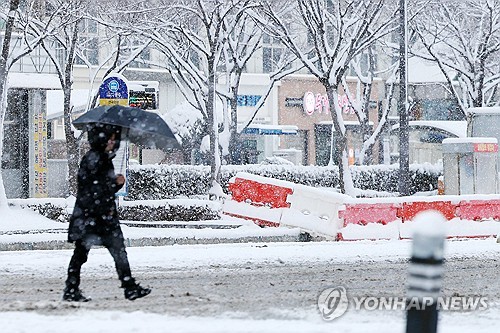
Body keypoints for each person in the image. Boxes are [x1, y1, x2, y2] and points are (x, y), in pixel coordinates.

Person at [63, 123, 151, 302]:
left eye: (113, 138)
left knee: (84, 253)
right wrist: (115, 183)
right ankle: (128, 286)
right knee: (110, 251)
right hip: (97, 216)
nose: (112, 142)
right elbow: (96, 189)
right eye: (109, 138)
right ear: (100, 139)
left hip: (92, 215)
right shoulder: (96, 159)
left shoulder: (99, 158)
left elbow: (97, 188)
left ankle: (72, 288)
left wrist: (113, 183)